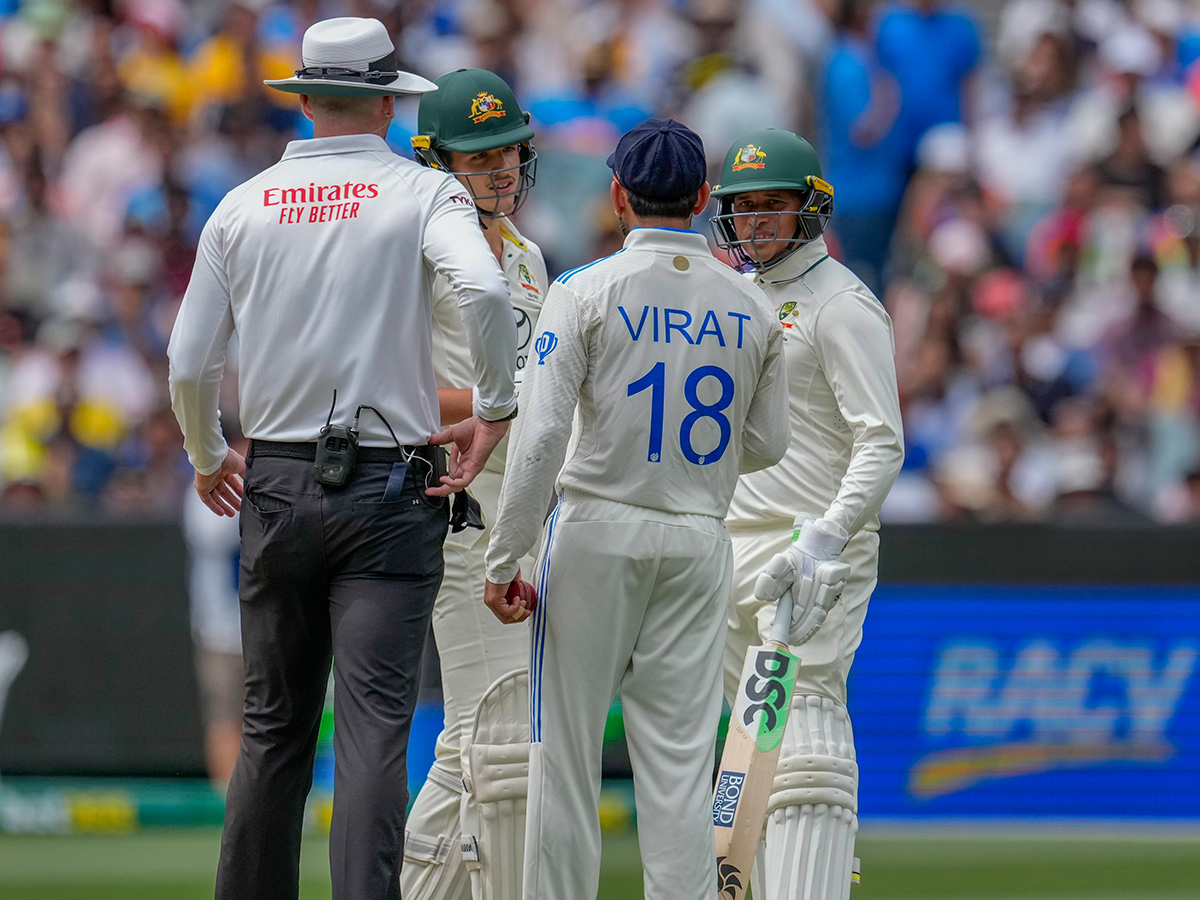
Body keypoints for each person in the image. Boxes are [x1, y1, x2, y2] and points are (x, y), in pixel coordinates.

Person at [166, 18, 519, 900]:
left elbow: (186, 361)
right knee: (371, 735)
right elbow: (480, 288)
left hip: (276, 480)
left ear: (308, 97)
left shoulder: (243, 203)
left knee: (271, 732)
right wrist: (495, 406)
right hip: (391, 486)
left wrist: (209, 454)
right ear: (388, 101)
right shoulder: (423, 194)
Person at [484, 118, 791, 900]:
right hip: (697, 537)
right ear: (700, 198)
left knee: (563, 755)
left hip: (596, 526)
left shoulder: (583, 289)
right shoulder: (753, 304)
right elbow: (768, 444)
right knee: (681, 766)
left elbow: (544, 431)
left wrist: (504, 556)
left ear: (617, 194)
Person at [709, 127, 904, 900]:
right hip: (731, 546)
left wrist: (827, 538)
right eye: (743, 209)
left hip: (811, 549)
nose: (755, 223)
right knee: (751, 748)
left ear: (809, 210)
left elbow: (882, 441)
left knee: (806, 733)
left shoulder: (844, 304)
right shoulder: (738, 297)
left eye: (772, 207)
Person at [401, 67, 546, 900]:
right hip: (461, 502)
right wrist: (518, 397)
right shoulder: (417, 246)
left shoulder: (525, 255)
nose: (499, 172)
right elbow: (396, 386)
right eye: (477, 157)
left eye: (508, 153)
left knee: (492, 733)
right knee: (483, 730)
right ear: (437, 161)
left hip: (527, 509)